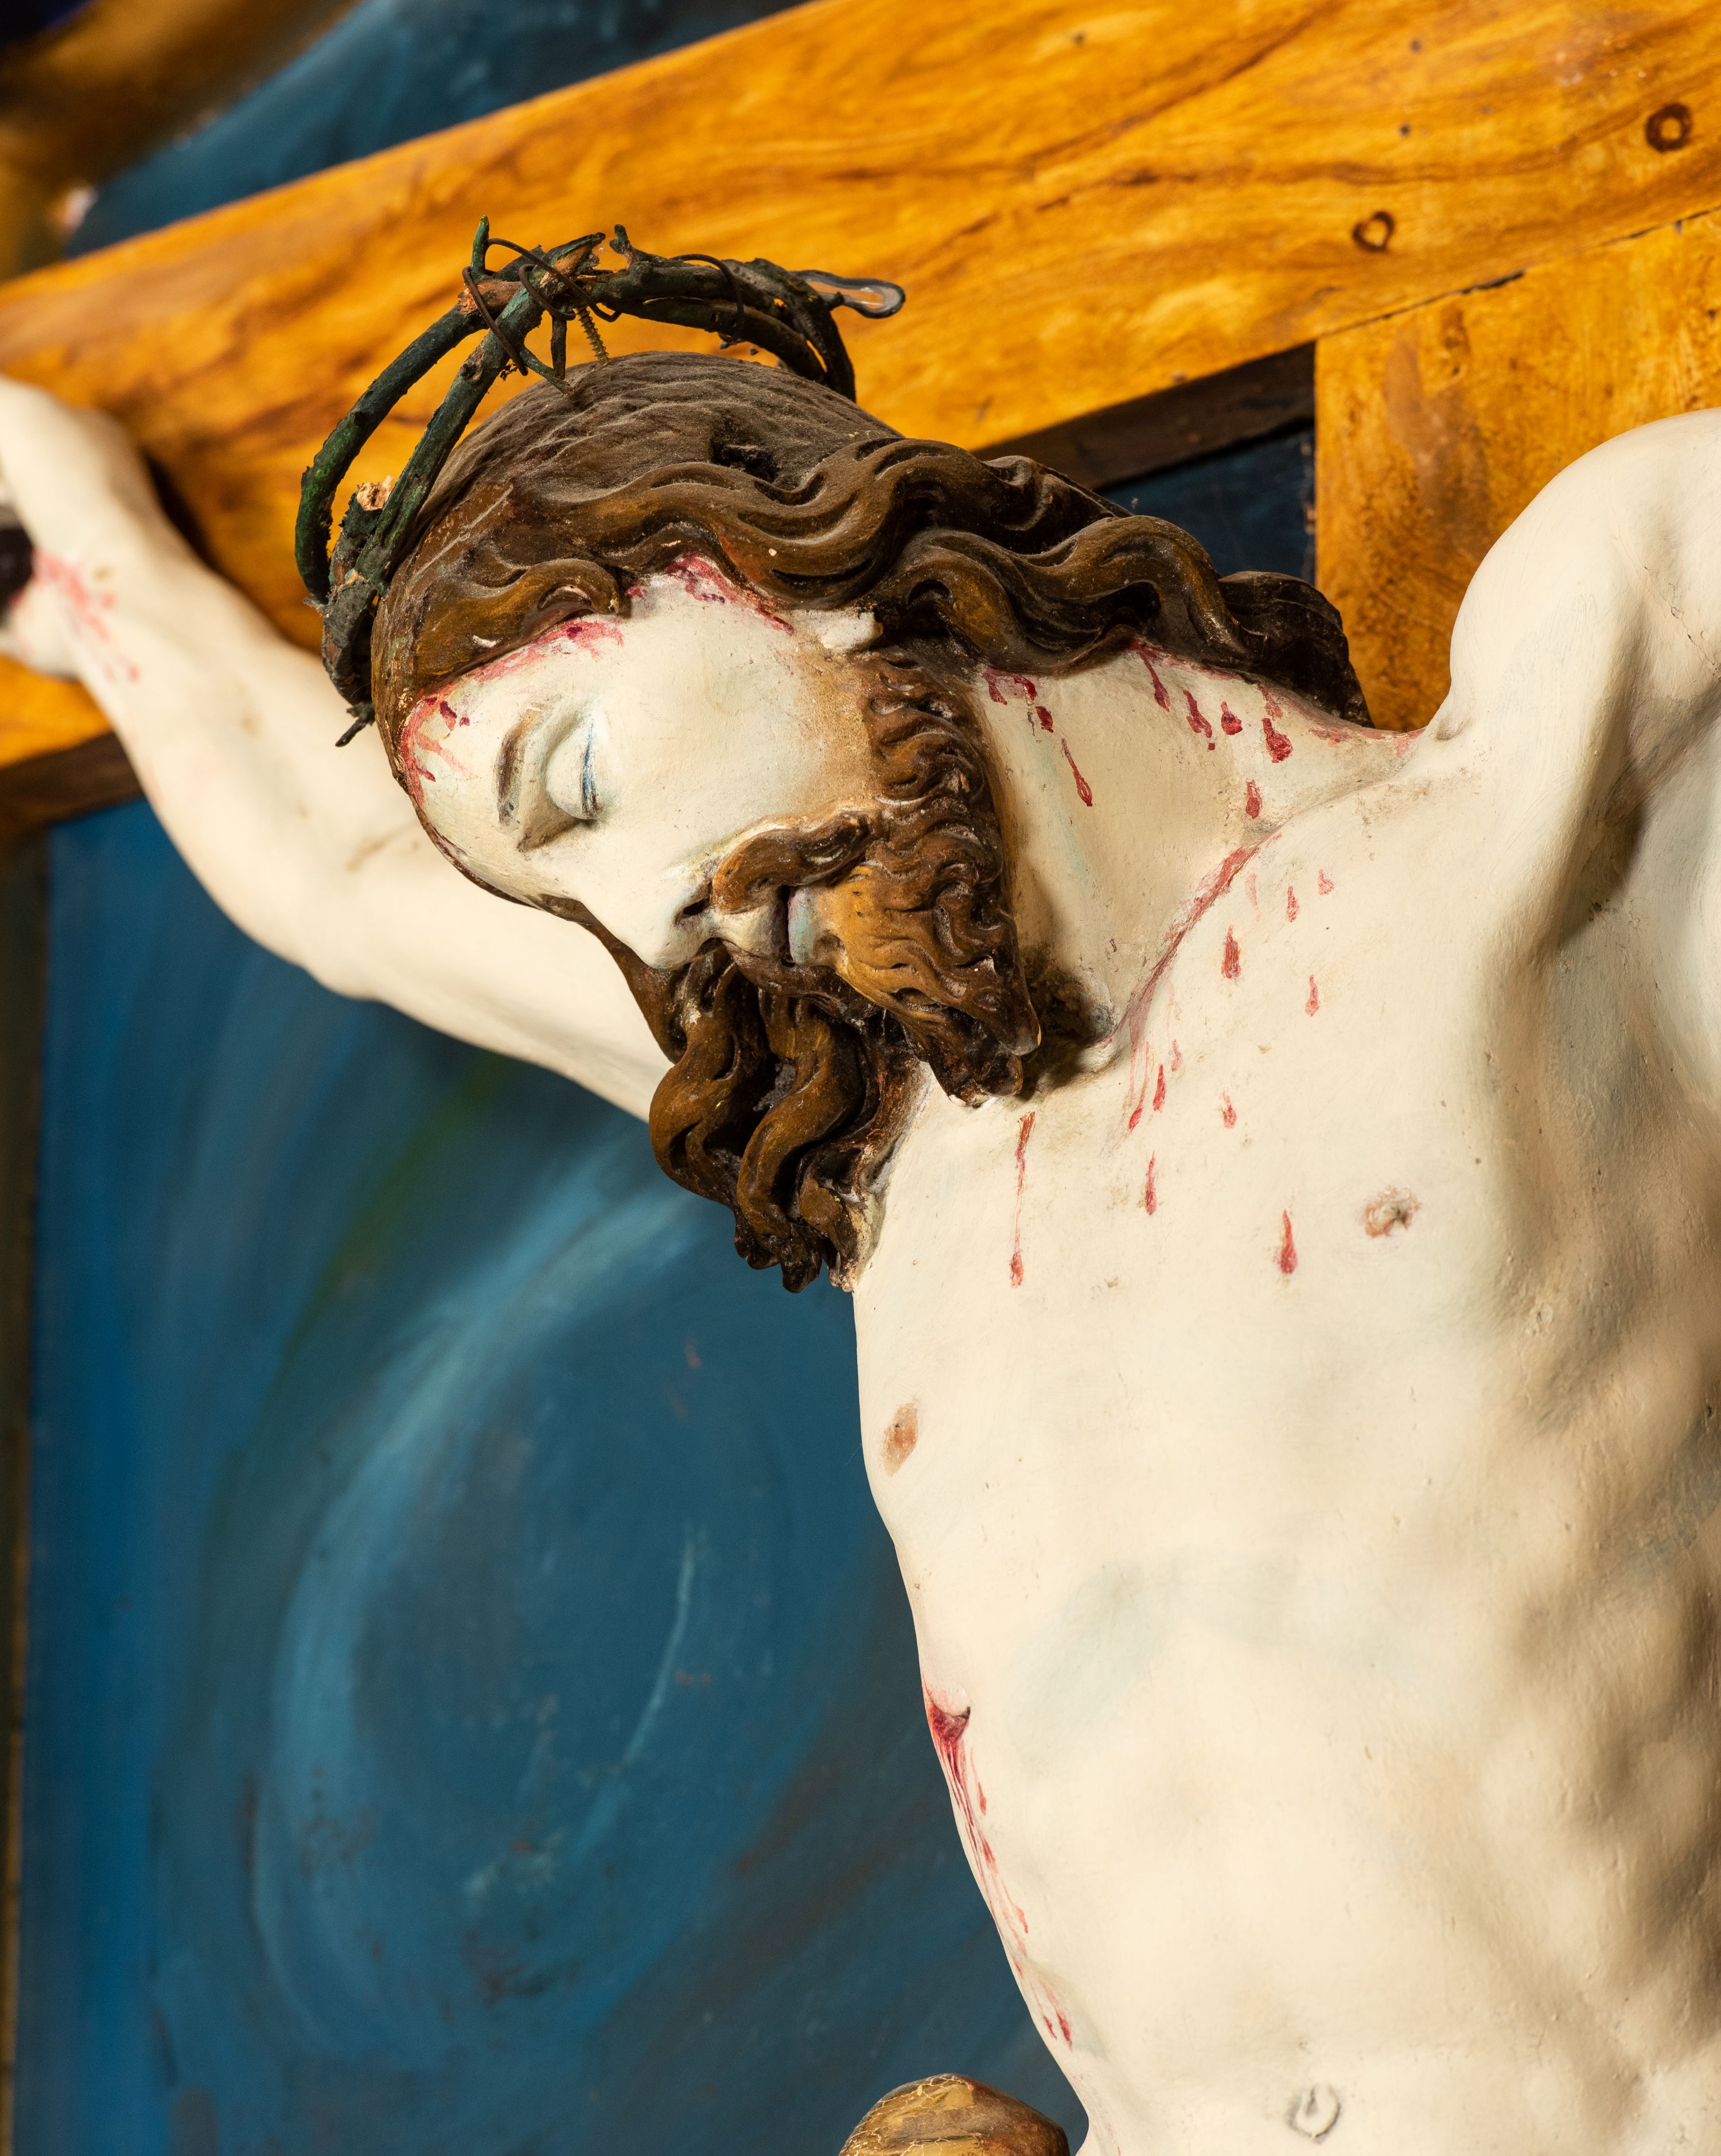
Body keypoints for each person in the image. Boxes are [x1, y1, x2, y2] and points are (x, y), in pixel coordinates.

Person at [7, 348, 1721, 2156]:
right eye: (567, 905)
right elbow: (341, 870)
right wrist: (77, 548)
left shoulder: (1526, 827)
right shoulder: (895, 1163)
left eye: (576, 774)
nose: (654, 920)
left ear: (784, 563)